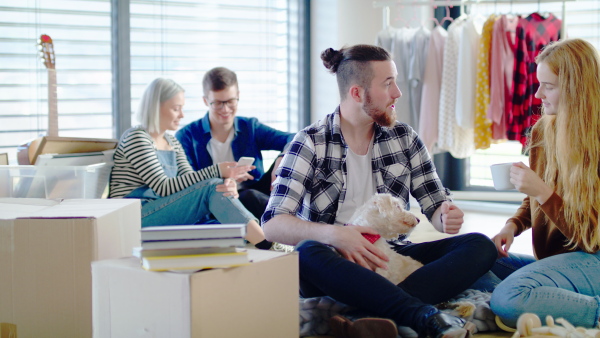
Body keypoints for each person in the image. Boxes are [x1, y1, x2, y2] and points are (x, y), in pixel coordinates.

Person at [261, 44, 498, 338]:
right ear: (358, 93)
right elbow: (272, 224)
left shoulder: (405, 138)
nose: (398, 92)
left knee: (480, 246)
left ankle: (368, 314)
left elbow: (436, 203)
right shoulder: (309, 142)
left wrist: (444, 215)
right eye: (388, 84)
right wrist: (335, 235)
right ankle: (422, 315)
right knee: (308, 253)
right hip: (333, 262)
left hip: (391, 256)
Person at [488, 38, 600, 329]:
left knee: (508, 300)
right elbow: (535, 198)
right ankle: (559, 299)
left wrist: (541, 191)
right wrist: (512, 225)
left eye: (548, 86)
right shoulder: (543, 129)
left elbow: (591, 240)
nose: (538, 94)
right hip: (556, 259)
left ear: (576, 89)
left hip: (594, 256)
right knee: (472, 256)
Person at [109, 77, 277, 250]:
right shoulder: (137, 138)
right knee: (213, 186)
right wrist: (218, 171)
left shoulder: (171, 142)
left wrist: (228, 185)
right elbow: (163, 187)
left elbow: (192, 182)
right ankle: (268, 243)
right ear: (156, 107)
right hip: (134, 216)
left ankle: (267, 237)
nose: (182, 115)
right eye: (176, 109)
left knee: (223, 212)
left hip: (161, 209)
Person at [176, 67, 295, 219]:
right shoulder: (187, 136)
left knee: (290, 154)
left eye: (231, 101)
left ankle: (289, 219)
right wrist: (228, 179)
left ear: (238, 96)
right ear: (205, 101)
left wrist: (281, 158)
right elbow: (189, 184)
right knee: (249, 197)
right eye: (218, 103)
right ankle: (289, 222)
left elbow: (293, 138)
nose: (225, 109)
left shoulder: (250, 127)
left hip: (256, 192)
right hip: (218, 199)